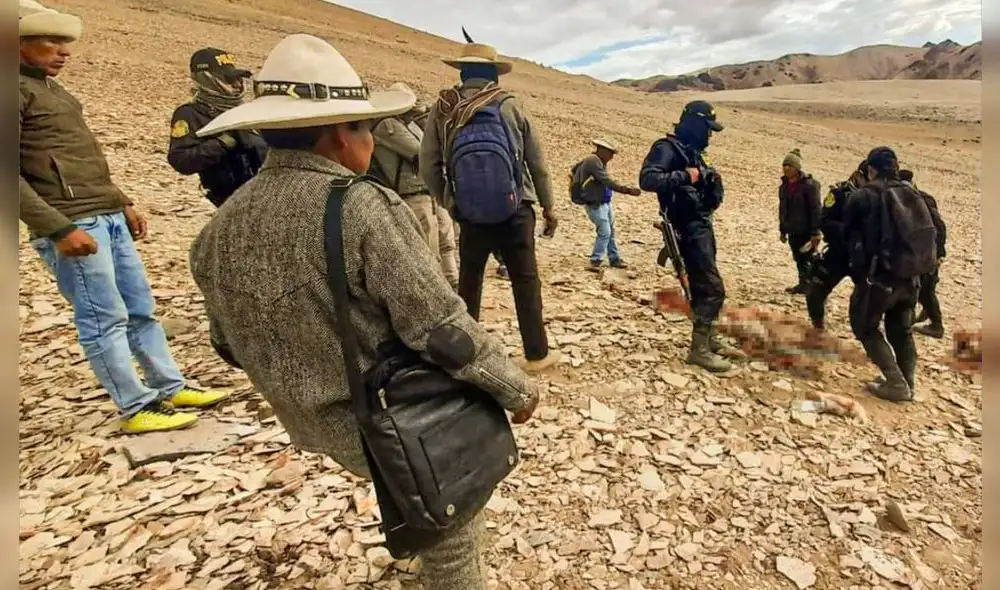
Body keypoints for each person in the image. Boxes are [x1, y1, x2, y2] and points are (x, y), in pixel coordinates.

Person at [188, 34, 539, 589]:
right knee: (457, 532)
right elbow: (441, 328)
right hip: (384, 417)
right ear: (337, 135)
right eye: (366, 128)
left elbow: (226, 344)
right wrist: (515, 389)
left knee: (410, 491)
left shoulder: (218, 228)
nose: (373, 140)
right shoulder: (359, 206)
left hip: (308, 418)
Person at [18, 0, 229, 433]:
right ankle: (135, 407)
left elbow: (81, 158)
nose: (64, 50)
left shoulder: (51, 89)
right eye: (51, 40)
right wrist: (57, 227)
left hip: (104, 213)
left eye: (65, 40)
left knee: (140, 308)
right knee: (103, 317)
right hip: (73, 220)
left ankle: (168, 385)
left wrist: (122, 201)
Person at [419, 30, 560, 372]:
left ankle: (465, 356)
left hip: (469, 212)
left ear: (462, 73)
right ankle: (536, 354)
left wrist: (451, 201)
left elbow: (428, 165)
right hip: (517, 209)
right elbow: (536, 163)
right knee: (525, 280)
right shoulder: (511, 105)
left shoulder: (444, 108)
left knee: (470, 280)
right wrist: (548, 206)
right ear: (495, 73)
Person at [639, 100, 733, 373]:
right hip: (686, 227)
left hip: (701, 223)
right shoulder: (666, 148)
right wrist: (686, 176)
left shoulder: (693, 151)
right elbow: (647, 180)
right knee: (713, 288)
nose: (709, 135)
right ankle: (699, 349)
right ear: (694, 124)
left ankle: (709, 338)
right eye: (707, 128)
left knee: (706, 285)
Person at [843, 147, 941, 402]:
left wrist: (858, 273)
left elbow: (849, 238)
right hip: (912, 277)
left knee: (865, 327)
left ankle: (895, 382)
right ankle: (908, 383)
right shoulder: (913, 193)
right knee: (901, 330)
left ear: (871, 168)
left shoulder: (862, 197)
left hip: (880, 279)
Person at [371, 82, 457, 287]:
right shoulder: (388, 126)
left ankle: (451, 286)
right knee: (428, 250)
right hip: (414, 196)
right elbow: (421, 152)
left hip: (430, 193)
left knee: (446, 244)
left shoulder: (407, 124)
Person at [167, 48, 267, 208]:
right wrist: (223, 142)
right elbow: (181, 160)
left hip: (265, 192)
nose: (238, 85)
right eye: (229, 80)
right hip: (229, 200)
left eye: (239, 79)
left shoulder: (247, 110)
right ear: (208, 79)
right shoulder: (192, 114)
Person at [804, 159, 868, 330]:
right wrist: (850, 232)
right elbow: (825, 221)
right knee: (815, 293)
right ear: (858, 175)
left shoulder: (880, 198)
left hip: (864, 258)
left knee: (868, 300)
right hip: (838, 253)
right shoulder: (840, 193)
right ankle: (818, 327)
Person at [571, 138, 642, 272]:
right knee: (605, 232)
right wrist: (627, 190)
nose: (611, 157)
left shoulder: (598, 161)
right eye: (610, 153)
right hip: (595, 204)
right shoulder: (593, 161)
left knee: (611, 231)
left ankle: (614, 258)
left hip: (604, 202)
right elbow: (607, 181)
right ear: (602, 150)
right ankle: (595, 260)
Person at [899, 169, 947, 338]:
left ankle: (936, 325)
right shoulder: (923, 197)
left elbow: (939, 226)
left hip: (927, 252)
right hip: (924, 250)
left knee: (925, 288)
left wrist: (940, 253)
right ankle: (926, 311)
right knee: (925, 285)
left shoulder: (919, 200)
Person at [777, 148, 822, 294]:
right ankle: (803, 284)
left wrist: (815, 232)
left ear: (797, 167)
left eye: (790, 165)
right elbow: (783, 208)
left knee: (809, 259)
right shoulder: (783, 186)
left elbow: (816, 210)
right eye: (785, 165)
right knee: (799, 259)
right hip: (792, 230)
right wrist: (783, 230)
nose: (786, 168)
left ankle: (813, 287)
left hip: (806, 231)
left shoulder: (809, 186)